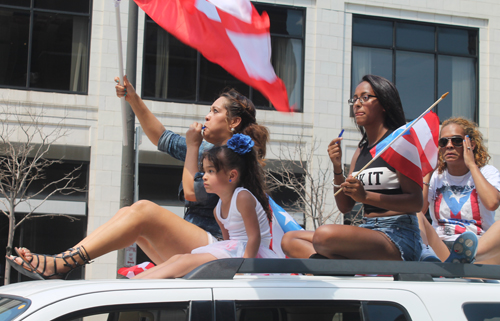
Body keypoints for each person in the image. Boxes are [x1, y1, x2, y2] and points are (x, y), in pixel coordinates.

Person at [6, 76, 269, 280]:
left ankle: (61, 265)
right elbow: (161, 137)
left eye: (214, 111)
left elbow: (191, 192)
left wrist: (191, 147)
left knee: (144, 210)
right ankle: (63, 259)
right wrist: (133, 98)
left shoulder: (235, 157)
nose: (207, 115)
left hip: (221, 249)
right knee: (129, 216)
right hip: (201, 244)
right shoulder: (204, 149)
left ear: (233, 122)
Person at [281, 75, 423, 261]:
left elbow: (416, 202)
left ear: (384, 104)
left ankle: (333, 266)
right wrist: (337, 167)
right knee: (289, 239)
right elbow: (345, 206)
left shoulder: (399, 142)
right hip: (367, 231)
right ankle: (336, 267)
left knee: (324, 236)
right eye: (354, 99)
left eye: (365, 98)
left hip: (398, 234)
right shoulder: (360, 151)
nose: (357, 104)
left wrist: (366, 197)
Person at [135, 134, 277, 279]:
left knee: (184, 262)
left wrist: (243, 268)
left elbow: (254, 237)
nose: (204, 176)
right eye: (204, 171)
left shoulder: (242, 197)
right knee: (177, 258)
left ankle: (135, 287)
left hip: (252, 253)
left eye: (211, 171)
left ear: (232, 176)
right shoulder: (218, 209)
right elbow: (228, 241)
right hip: (233, 249)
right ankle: (133, 283)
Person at [418, 117, 500, 264]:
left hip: (477, 247)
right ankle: (429, 256)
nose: (449, 146)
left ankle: (466, 259)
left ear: (471, 144)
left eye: (456, 141)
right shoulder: (436, 176)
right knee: (414, 212)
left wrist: (472, 166)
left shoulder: (487, 172)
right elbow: (420, 210)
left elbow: (492, 203)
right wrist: (428, 172)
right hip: (442, 247)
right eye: (444, 142)